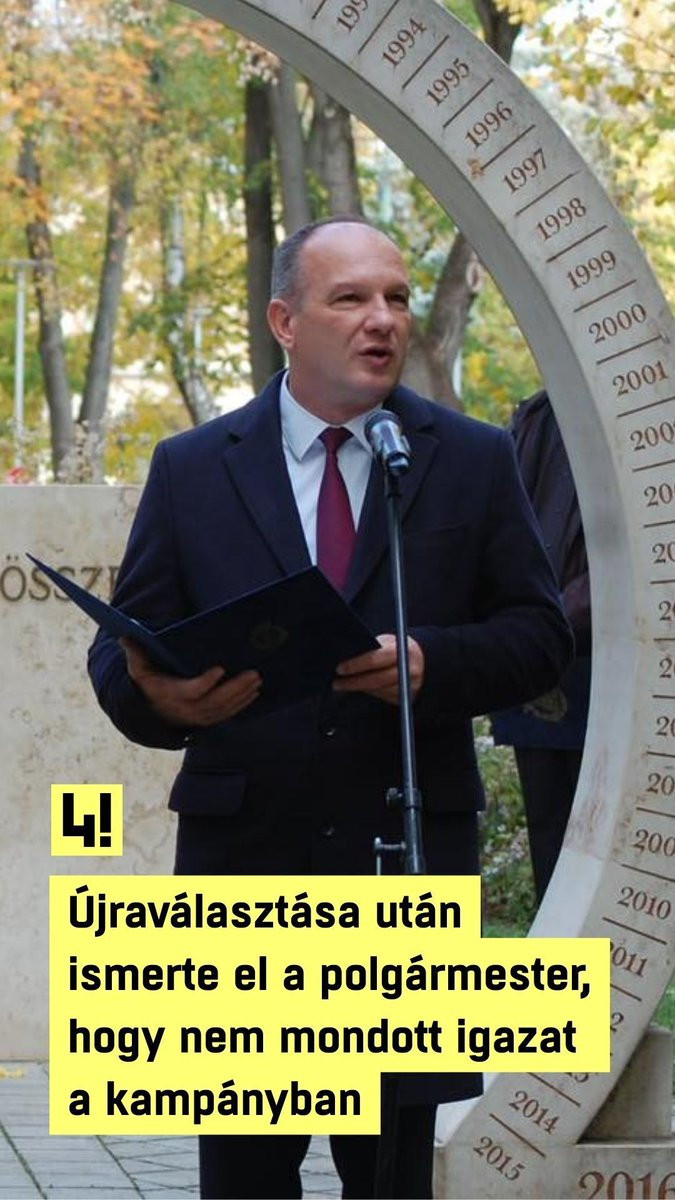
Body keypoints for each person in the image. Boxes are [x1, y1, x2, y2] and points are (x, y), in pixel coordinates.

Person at [88, 216, 572, 1199]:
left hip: (405, 865)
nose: (381, 319)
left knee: (390, 1179)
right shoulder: (194, 466)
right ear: (285, 321)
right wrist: (159, 695)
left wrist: (430, 661)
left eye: (394, 298)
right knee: (246, 1178)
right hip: (243, 875)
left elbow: (539, 635)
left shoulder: (470, 459)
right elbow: (121, 648)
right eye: (350, 298)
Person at [491, 389, 591, 904]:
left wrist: (546, 624)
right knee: (552, 835)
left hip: (598, 657)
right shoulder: (536, 416)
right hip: (537, 661)